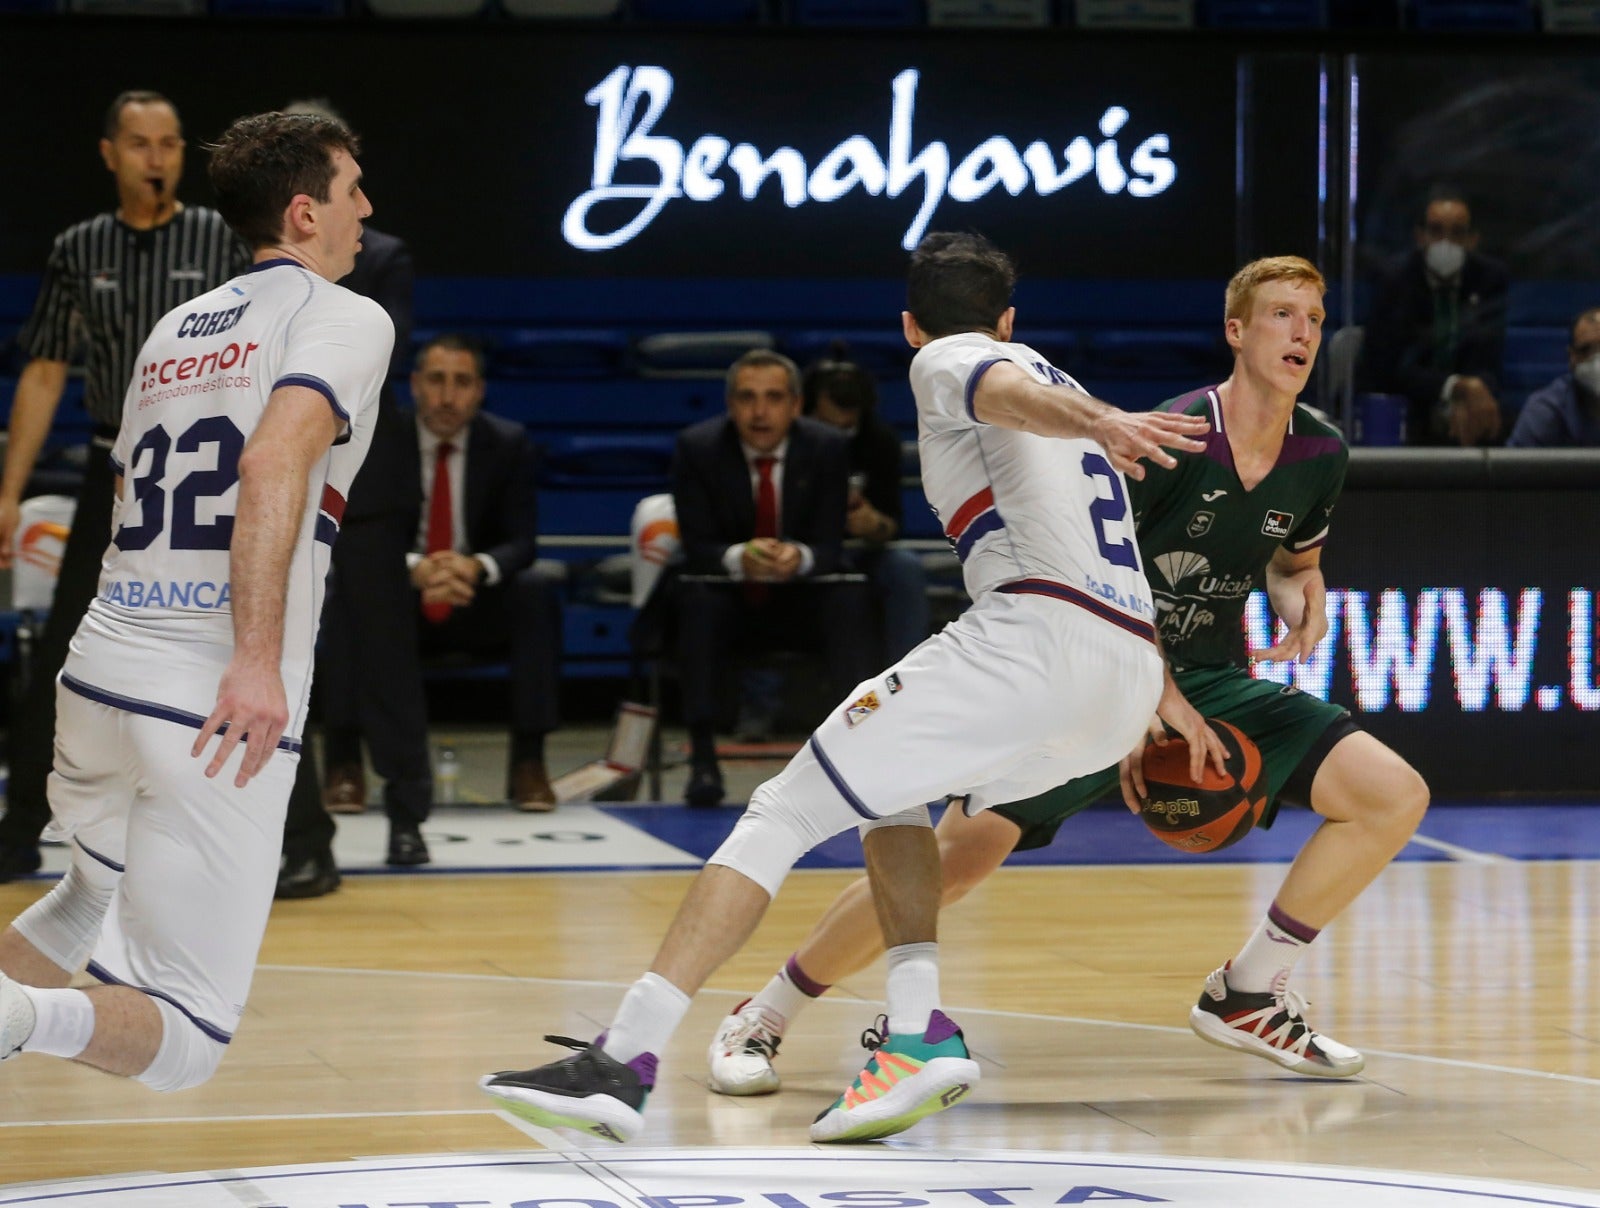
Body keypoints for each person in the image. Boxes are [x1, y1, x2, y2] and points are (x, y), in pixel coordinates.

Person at [479, 231, 1208, 1145]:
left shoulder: (958, 358)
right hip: (1126, 677)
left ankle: (622, 1059)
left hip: (1036, 642)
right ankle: (916, 1034)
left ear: (908, 325)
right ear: (1014, 314)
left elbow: (988, 383)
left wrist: (1101, 417)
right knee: (892, 794)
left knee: (779, 812)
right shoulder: (1053, 377)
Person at [703, 256, 1431, 1099]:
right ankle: (767, 1012)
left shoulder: (1322, 451)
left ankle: (1248, 990)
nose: (1300, 332)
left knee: (1390, 793)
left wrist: (1301, 587)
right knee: (955, 862)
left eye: (1312, 317)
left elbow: (1292, 553)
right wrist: (1137, 701)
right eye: (1280, 315)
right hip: (1099, 668)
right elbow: (1103, 577)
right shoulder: (1170, 438)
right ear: (1236, 331)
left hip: (1211, 680)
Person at [0, 111, 390, 1087]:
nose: (367, 209)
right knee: (183, 1040)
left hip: (96, 674)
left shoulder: (173, 326)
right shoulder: (345, 314)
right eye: (353, 190)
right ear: (305, 212)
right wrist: (256, 660)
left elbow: (131, 494)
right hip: (207, 700)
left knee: (88, 892)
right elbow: (270, 460)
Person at [0, 92, 248, 884]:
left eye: (170, 144)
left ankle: (280, 838)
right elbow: (44, 370)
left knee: (238, 647)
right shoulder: (80, 247)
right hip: (112, 465)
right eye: (140, 144)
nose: (156, 158)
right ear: (110, 153)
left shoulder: (220, 237)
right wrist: (7, 490)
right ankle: (18, 829)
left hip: (205, 476)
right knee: (68, 656)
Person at [275, 97, 432, 894]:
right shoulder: (257, 263)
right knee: (297, 652)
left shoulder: (386, 258)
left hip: (369, 486)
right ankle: (302, 829)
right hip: (291, 477)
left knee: (383, 657)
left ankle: (408, 812)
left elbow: (384, 354)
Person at [320, 332, 558, 827]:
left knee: (537, 590)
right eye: (437, 381)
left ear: (480, 391)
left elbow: (522, 541)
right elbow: (351, 531)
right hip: (396, 598)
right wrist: (413, 568)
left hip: (474, 598)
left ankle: (530, 762)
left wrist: (474, 567)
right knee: (344, 593)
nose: (448, 396)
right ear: (414, 385)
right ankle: (343, 762)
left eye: (462, 382)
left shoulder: (508, 443)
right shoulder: (380, 442)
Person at [670, 350, 877, 807]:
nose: (759, 412)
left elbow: (829, 545)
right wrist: (738, 557)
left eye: (773, 398)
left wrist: (798, 557)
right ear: (729, 405)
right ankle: (703, 759)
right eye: (747, 398)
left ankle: (855, 752)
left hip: (801, 597)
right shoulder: (698, 447)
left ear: (795, 405)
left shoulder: (825, 447)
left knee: (849, 599)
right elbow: (696, 543)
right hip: (730, 597)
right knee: (696, 602)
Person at [803, 353, 931, 665]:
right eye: (828, 428)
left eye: (847, 429)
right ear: (806, 410)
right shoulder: (789, 440)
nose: (838, 438)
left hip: (858, 550)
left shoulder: (879, 440)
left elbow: (892, 525)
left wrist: (873, 525)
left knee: (904, 567)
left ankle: (905, 681)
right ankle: (759, 701)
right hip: (801, 549)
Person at [1361, 187, 1508, 447]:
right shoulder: (1395, 281)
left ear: (1472, 240)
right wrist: (1455, 387)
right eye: (1436, 231)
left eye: (1457, 233)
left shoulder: (1489, 278)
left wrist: (1473, 392)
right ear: (1420, 236)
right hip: (1409, 408)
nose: (1445, 241)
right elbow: (1389, 367)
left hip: (1469, 409)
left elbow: (1488, 353)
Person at [1505, 306, 1600, 448]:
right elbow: (1515, 468)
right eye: (1586, 350)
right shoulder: (1545, 412)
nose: (1596, 360)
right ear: (1571, 357)